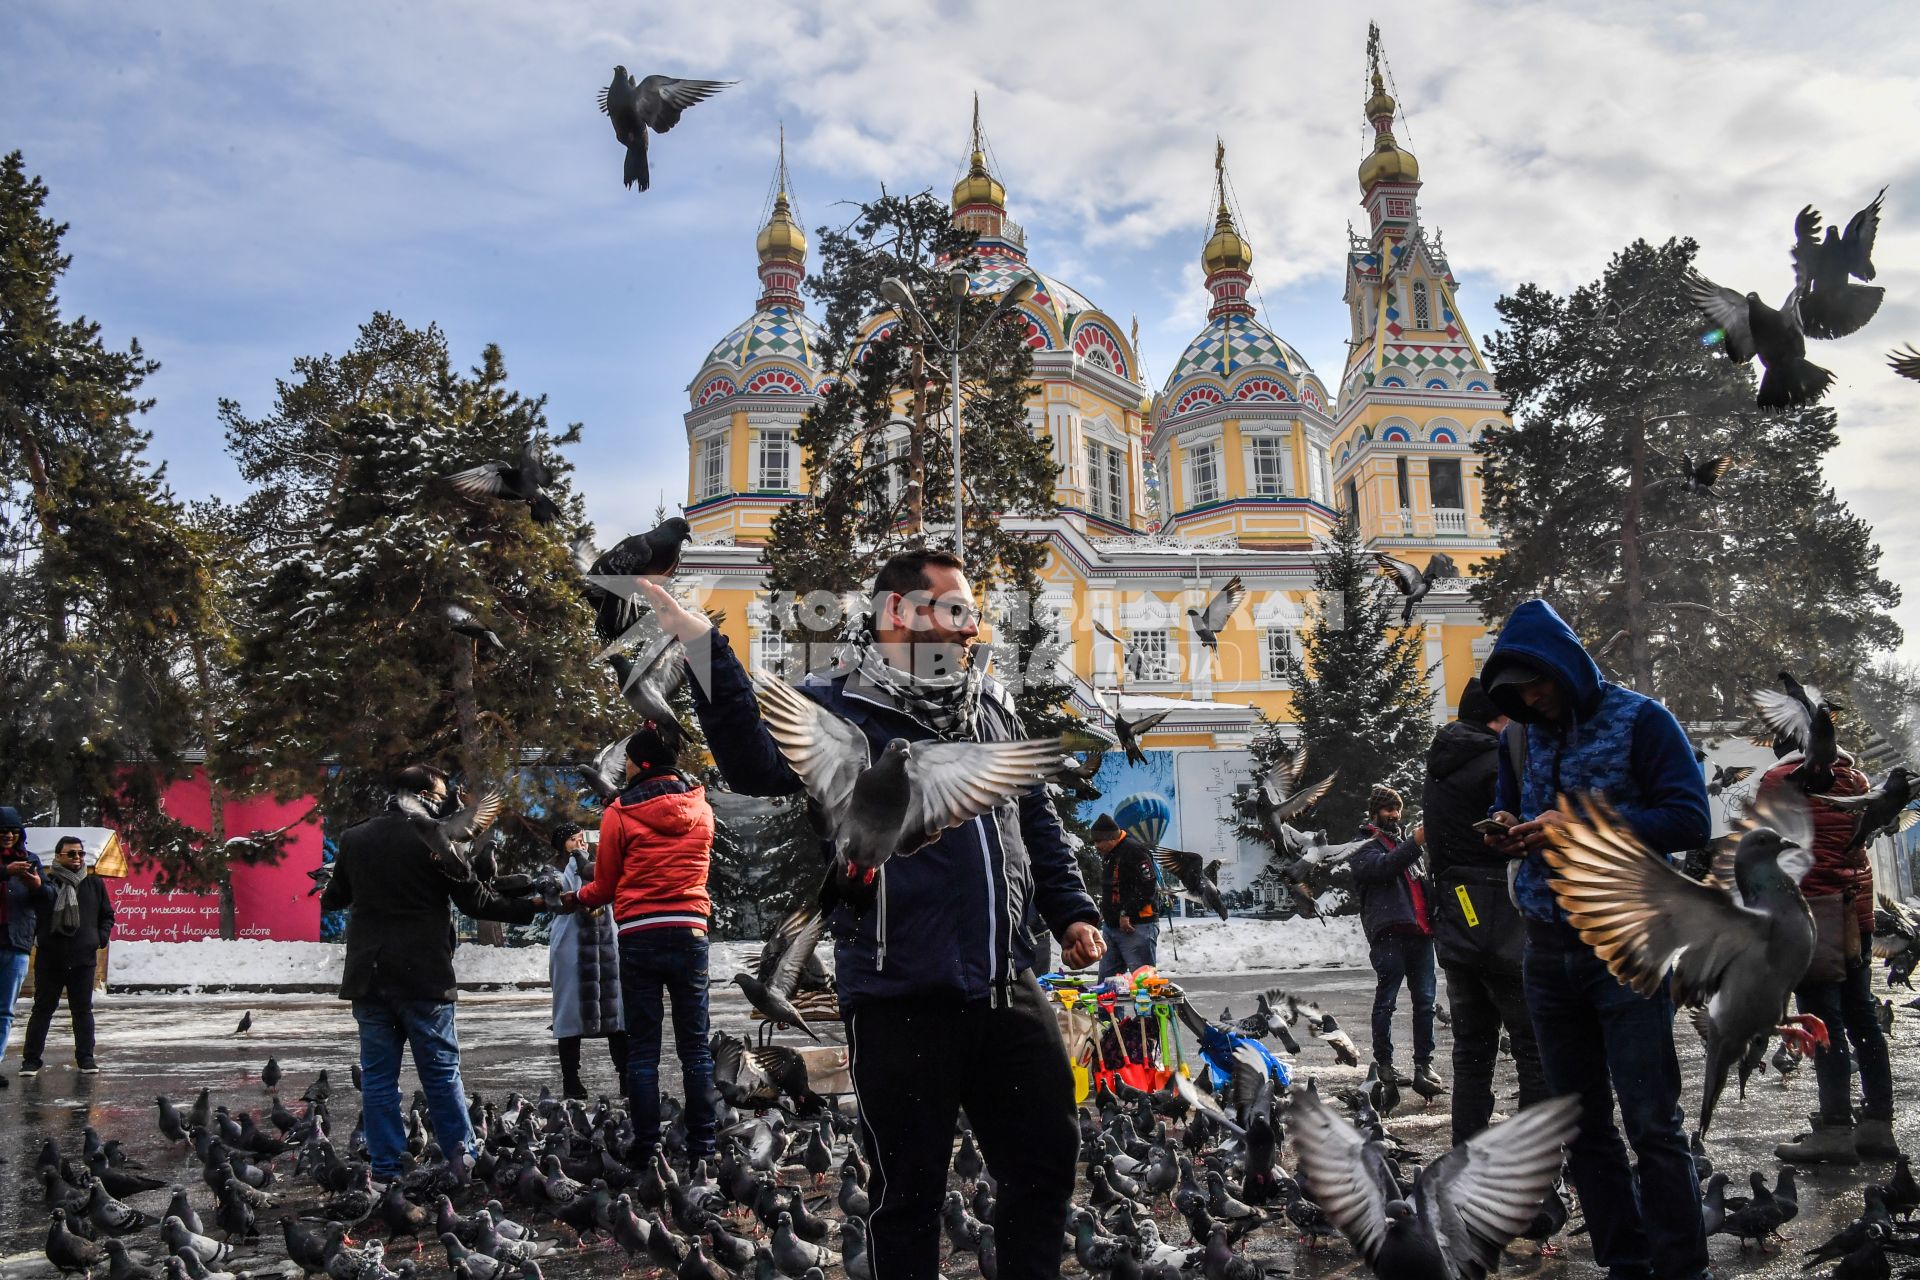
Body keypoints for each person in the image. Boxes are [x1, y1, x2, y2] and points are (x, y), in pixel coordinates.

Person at [639, 550, 1105, 1280]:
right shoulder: (835, 703)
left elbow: (1033, 818)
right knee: (908, 1197)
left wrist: (1070, 909)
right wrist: (705, 648)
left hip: (1006, 986)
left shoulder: (988, 702)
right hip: (898, 996)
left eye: (973, 613)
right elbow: (752, 765)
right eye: (954, 609)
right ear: (897, 612)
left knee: (1046, 1168)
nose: (971, 627)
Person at [1481, 599, 1711, 1280]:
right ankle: (1625, 1263)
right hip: (1548, 949)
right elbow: (1516, 806)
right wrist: (1505, 826)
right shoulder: (1517, 737)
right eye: (1517, 692)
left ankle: (1680, 1268)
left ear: (1567, 666)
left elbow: (1689, 818)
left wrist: (1575, 825)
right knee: (1581, 1126)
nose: (1531, 699)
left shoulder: (1642, 719)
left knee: (1651, 1122)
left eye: (1539, 684)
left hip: (1628, 943)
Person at [320, 764, 543, 1184]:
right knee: (440, 1075)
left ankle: (386, 1168)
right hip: (423, 977)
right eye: (440, 794)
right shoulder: (435, 836)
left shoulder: (355, 837)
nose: (444, 801)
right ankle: (461, 1161)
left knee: (378, 1080)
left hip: (369, 978)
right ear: (423, 794)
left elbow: (334, 899)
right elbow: (476, 903)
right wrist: (534, 906)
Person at [561, 723, 717, 1158]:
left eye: (628, 759)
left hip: (640, 935)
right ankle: (704, 1144)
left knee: (644, 1050)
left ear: (641, 764)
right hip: (690, 932)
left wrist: (576, 896)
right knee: (695, 1047)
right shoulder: (701, 808)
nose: (624, 766)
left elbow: (605, 885)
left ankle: (647, 1146)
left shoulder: (619, 812)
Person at [1422, 678, 1548, 1144]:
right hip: (1502, 917)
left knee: (1471, 1050)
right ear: (1500, 719)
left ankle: (1466, 1152)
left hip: (1458, 918)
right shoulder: (1494, 761)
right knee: (1533, 1048)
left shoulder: (1440, 764)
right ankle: (1531, 1164)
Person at [1758, 742, 1894, 1164]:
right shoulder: (1855, 779)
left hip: (1810, 913)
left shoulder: (1780, 781)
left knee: (1821, 1020)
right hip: (1856, 913)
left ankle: (1834, 1130)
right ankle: (1877, 1126)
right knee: (1862, 1015)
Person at [1349, 786, 1442, 1093]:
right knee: (1386, 1002)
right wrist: (1416, 843)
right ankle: (1384, 1065)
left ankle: (1423, 1064)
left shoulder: (1402, 845)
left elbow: (1420, 881)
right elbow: (1381, 868)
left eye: (1398, 809)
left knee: (1426, 1003)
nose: (1395, 815)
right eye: (1389, 809)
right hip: (1390, 933)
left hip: (1420, 933)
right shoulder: (1364, 845)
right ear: (1374, 813)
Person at [545, 822, 628, 1101]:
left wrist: (590, 862)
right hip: (571, 947)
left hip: (606, 947)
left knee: (616, 1013)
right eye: (572, 839)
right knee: (569, 1015)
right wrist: (576, 864)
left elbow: (612, 887)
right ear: (560, 844)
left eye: (582, 838)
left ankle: (626, 1077)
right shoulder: (552, 869)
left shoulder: (598, 863)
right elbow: (556, 896)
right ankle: (572, 1081)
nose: (579, 843)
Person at [19, 836, 113, 1076]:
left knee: (82, 1010)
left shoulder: (94, 884)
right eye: (71, 854)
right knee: (42, 1009)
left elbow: (107, 915)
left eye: (80, 853)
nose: (77, 858)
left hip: (83, 958)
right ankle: (31, 1060)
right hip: (51, 958)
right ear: (58, 856)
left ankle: (86, 1058)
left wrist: (99, 938)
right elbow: (33, 913)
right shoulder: (46, 883)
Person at [0, 808, 51, 1086]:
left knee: (5, 1010)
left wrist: (37, 885)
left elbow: (48, 897)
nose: (8, 835)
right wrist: (5, 872)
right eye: (3, 831)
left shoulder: (30, 860)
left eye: (13, 831)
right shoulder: (9, 866)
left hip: (17, 943)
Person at [1090, 813, 1159, 979]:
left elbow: (1148, 886)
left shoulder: (1135, 851)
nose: (1096, 845)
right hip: (1111, 927)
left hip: (1137, 927)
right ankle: (1109, 1006)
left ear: (1111, 838)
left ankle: (1146, 1005)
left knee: (1144, 985)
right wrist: (1105, 911)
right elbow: (1113, 887)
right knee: (1107, 984)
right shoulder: (1110, 853)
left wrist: (1126, 912)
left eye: (1099, 841)